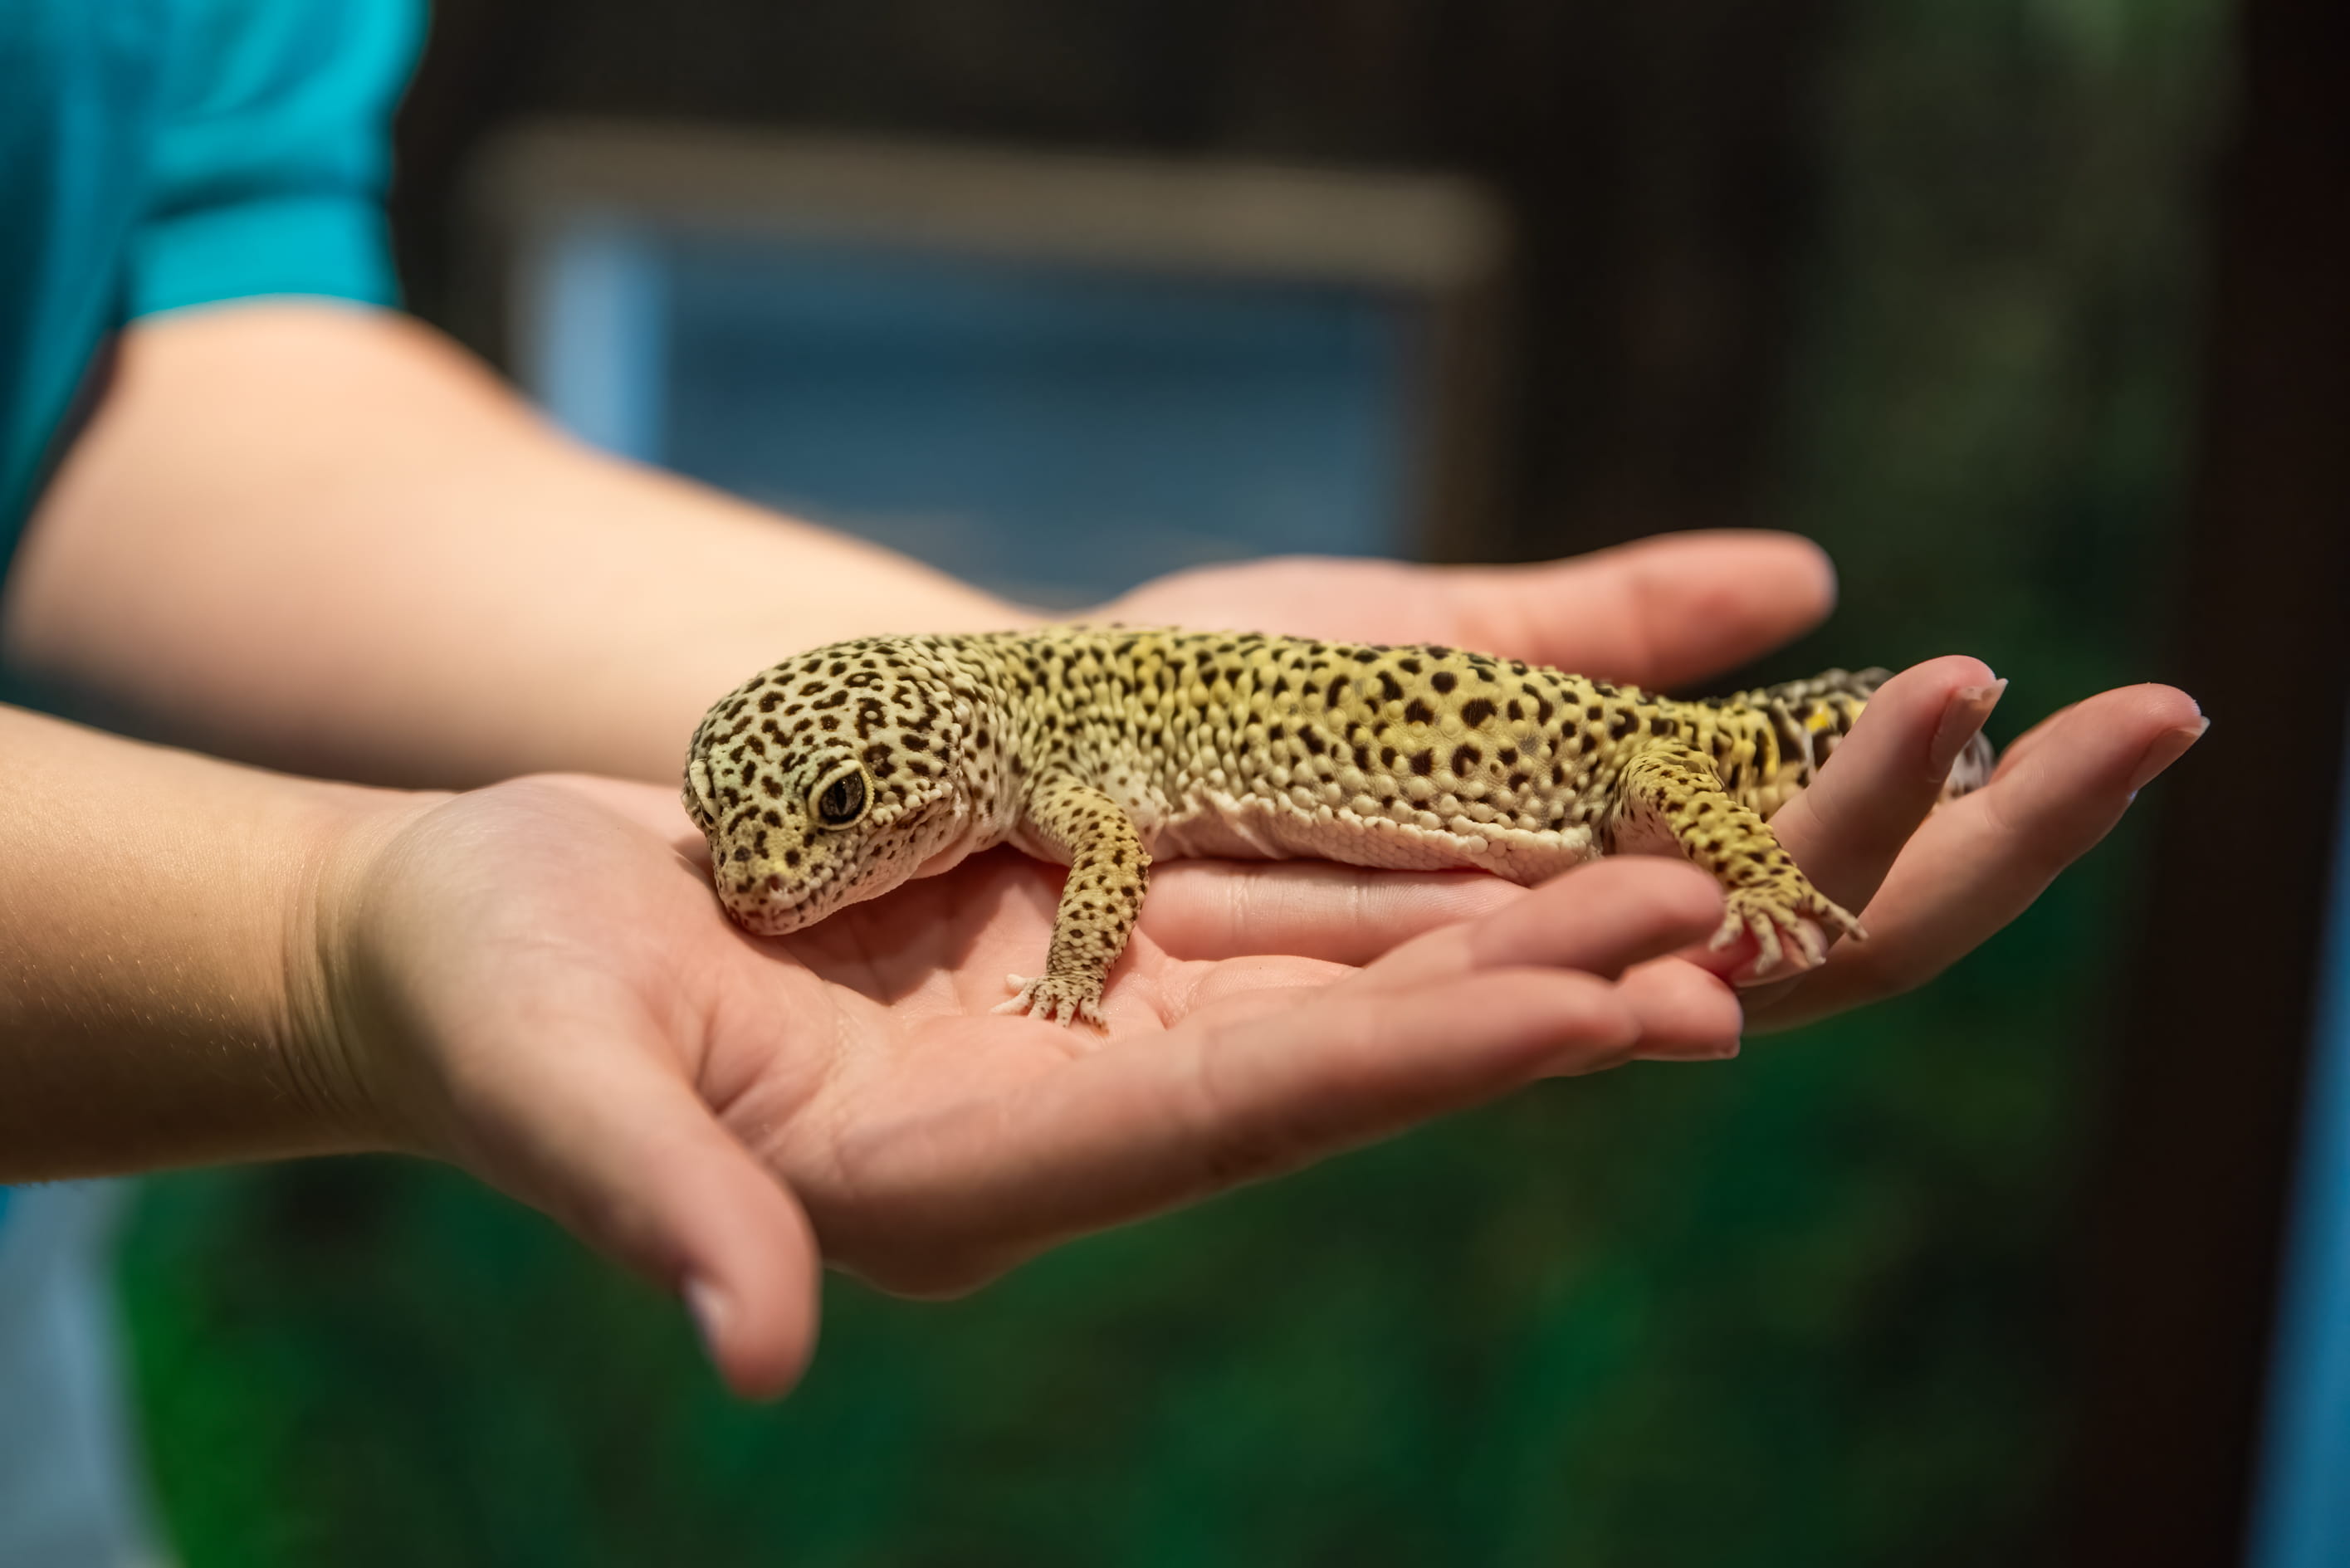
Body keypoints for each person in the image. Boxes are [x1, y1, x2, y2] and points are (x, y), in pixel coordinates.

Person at [0, 0, 2203, 1560]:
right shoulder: (1025, 743)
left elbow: (181, 326)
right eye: (751, 831)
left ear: (954, 753)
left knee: (1694, 787)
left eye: (837, 824)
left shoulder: (1050, 746)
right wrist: (311, 933)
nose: (781, 879)